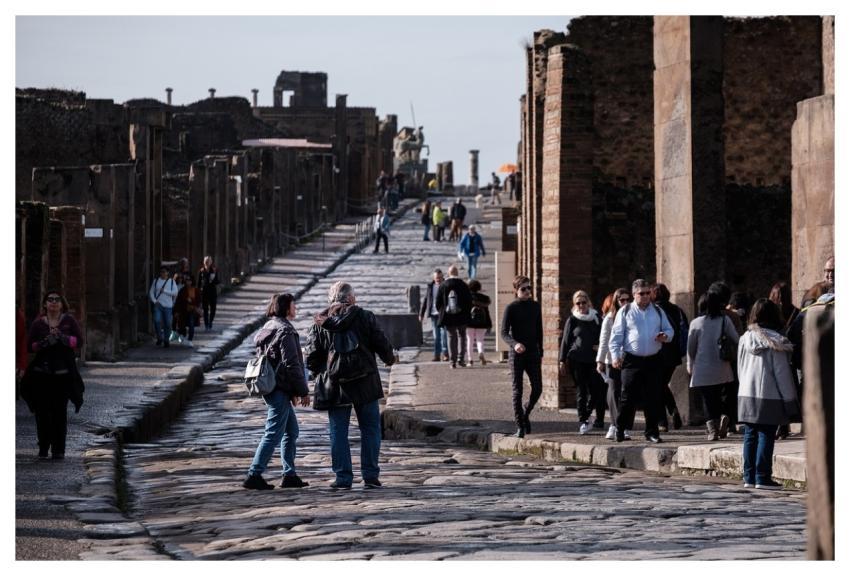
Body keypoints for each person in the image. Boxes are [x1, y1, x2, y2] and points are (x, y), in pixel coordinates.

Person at [305, 282, 397, 489]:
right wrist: (390, 359)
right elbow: (382, 343)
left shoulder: (320, 323)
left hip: (334, 384)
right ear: (352, 298)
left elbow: (311, 357)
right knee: (371, 429)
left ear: (331, 299)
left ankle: (343, 477)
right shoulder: (364, 317)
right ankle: (371, 475)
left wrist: (322, 371)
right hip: (365, 381)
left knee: (338, 431)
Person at [243, 293, 311, 490]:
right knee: (273, 432)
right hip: (280, 388)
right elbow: (292, 364)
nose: (295, 308)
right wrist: (302, 390)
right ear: (286, 307)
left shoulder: (268, 326)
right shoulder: (286, 331)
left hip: (273, 387)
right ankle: (254, 474)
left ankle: (289, 474)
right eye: (293, 305)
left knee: (291, 431)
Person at [737, 298, 800, 489]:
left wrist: (743, 387)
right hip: (769, 394)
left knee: (750, 434)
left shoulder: (744, 338)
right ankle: (762, 476)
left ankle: (749, 477)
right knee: (766, 434)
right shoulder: (777, 342)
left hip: (747, 392)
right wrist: (790, 399)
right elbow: (782, 375)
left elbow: (740, 367)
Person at [608, 279, 674, 444]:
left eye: (647, 293)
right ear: (634, 294)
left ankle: (651, 431)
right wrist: (615, 356)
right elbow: (616, 337)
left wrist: (665, 336)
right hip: (632, 359)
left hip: (653, 359)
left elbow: (669, 329)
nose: (645, 296)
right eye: (641, 294)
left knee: (654, 396)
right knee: (627, 396)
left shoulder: (657, 311)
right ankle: (620, 428)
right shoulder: (626, 311)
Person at [20, 292, 84, 460]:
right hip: (42, 376)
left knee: (59, 413)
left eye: (57, 300)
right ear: (45, 304)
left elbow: (79, 341)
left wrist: (63, 338)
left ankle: (58, 449)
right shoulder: (38, 324)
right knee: (42, 414)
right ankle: (43, 447)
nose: (54, 302)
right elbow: (29, 346)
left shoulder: (69, 321)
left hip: (62, 376)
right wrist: (43, 343)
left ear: (62, 304)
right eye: (50, 300)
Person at [686, 290, 741, 440]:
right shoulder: (725, 320)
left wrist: (690, 365)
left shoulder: (696, 323)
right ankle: (724, 416)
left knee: (707, 399)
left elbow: (691, 348)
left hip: (703, 368)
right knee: (722, 396)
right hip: (722, 366)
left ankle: (712, 430)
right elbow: (736, 339)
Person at [501, 275, 544, 438]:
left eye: (529, 288)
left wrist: (541, 351)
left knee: (538, 388)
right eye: (523, 289)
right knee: (517, 391)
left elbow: (539, 330)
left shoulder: (535, 306)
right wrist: (515, 343)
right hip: (517, 354)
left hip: (533, 352)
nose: (527, 291)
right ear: (516, 291)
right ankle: (520, 426)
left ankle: (526, 412)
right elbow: (504, 333)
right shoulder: (511, 308)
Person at [559, 290, 604, 435]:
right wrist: (562, 360)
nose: (581, 305)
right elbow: (565, 341)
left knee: (596, 389)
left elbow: (604, 335)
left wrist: (600, 346)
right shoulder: (572, 319)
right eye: (578, 303)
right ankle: (583, 420)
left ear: (588, 302)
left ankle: (588, 412)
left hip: (593, 359)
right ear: (575, 305)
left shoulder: (596, 317)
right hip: (576, 358)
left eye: (584, 302)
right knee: (581, 390)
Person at [596, 288, 633, 440]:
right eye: (621, 300)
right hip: (612, 360)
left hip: (628, 359)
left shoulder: (632, 316)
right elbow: (603, 341)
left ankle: (624, 426)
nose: (624, 302)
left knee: (627, 392)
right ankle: (615, 424)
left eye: (627, 299)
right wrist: (600, 360)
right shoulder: (609, 319)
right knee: (614, 391)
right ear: (616, 302)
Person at [651, 283, 687, 431]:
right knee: (662, 384)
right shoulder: (677, 310)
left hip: (657, 353)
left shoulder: (652, 311)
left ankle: (662, 421)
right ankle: (672, 411)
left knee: (656, 386)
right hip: (673, 354)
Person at [436, 265, 472, 369]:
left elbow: (438, 302)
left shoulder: (443, 285)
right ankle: (461, 359)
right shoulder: (463, 285)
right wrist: (466, 312)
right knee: (462, 336)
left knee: (451, 337)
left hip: (448, 316)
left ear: (448, 273)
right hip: (462, 316)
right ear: (457, 273)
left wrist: (442, 312)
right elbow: (469, 301)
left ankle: (453, 361)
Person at [418, 268, 448, 362]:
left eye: (439, 277)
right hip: (434, 314)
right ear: (434, 278)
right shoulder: (430, 287)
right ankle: (437, 355)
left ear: (442, 277)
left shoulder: (446, 285)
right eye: (436, 278)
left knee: (444, 336)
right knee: (436, 336)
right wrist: (421, 313)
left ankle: (446, 354)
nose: (438, 279)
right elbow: (426, 300)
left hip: (443, 314)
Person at [149, 265, 179, 347]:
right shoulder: (156, 281)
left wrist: (164, 291)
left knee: (168, 323)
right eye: (161, 272)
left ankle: (166, 340)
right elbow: (151, 292)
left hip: (168, 306)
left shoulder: (172, 282)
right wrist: (155, 301)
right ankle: (159, 337)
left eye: (164, 272)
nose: (162, 273)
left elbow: (175, 292)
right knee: (157, 321)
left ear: (167, 273)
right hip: (158, 305)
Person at [466, 279, 492, 367]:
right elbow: (487, 312)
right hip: (482, 322)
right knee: (480, 340)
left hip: (469, 322)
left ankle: (470, 360)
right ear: (479, 287)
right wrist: (489, 324)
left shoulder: (467, 297)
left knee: (470, 341)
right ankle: (480, 352)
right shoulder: (484, 298)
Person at [174, 275, 201, 346]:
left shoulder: (196, 290)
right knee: (182, 325)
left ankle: (190, 339)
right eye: (187, 281)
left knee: (191, 324)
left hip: (192, 310)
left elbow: (198, 301)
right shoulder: (182, 290)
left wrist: (192, 301)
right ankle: (183, 336)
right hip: (183, 311)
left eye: (190, 281)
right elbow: (178, 301)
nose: (188, 282)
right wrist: (176, 311)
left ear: (192, 281)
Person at [198, 256, 220, 332]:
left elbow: (217, 281)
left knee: (213, 309)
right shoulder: (201, 271)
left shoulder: (213, 270)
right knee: (205, 310)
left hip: (212, 292)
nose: (207, 262)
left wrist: (213, 278)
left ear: (211, 262)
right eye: (206, 261)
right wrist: (198, 293)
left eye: (209, 261)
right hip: (204, 293)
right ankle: (207, 325)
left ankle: (210, 322)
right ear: (204, 262)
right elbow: (198, 283)